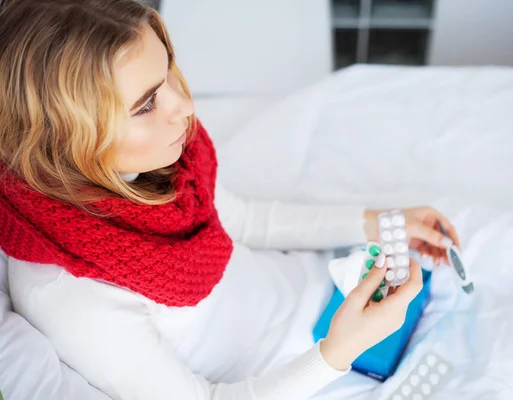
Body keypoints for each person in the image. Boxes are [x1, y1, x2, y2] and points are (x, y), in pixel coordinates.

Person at [0, 1, 460, 399]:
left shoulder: (158, 164)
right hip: (303, 371)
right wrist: (336, 353)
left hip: (322, 291)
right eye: (146, 105)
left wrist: (373, 222)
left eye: (169, 77)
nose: (184, 107)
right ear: (63, 142)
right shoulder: (70, 295)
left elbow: (245, 221)